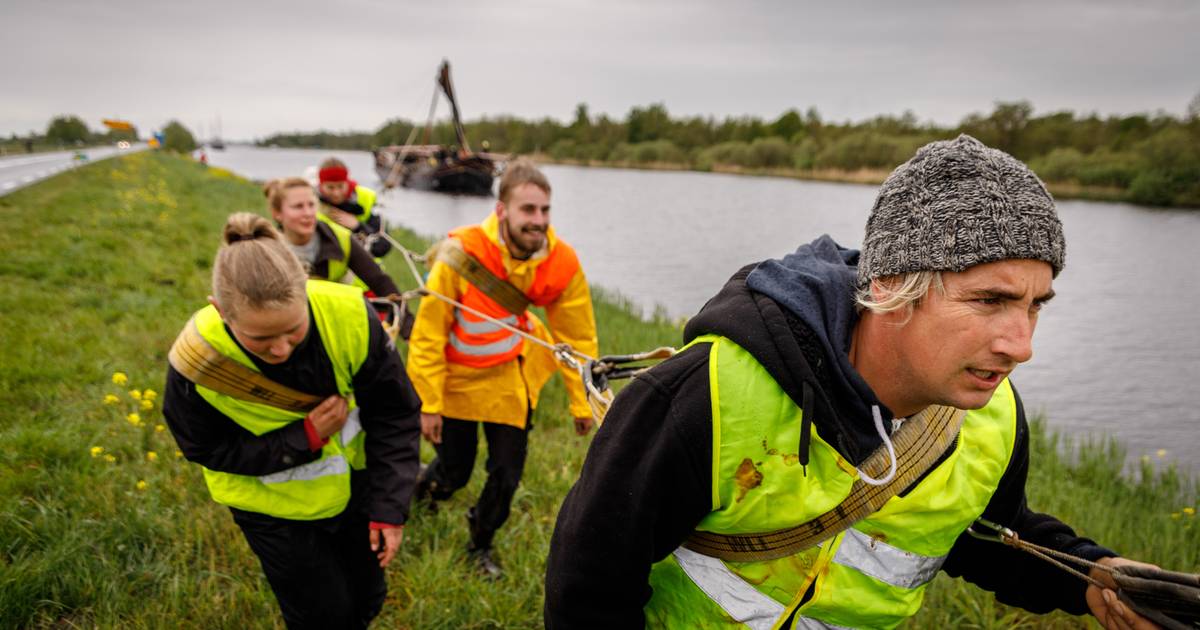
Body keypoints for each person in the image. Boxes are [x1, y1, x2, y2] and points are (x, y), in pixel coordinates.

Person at [545, 135, 1159, 629]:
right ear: (894, 287)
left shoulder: (992, 418)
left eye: (1034, 305)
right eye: (989, 300)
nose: (1020, 346)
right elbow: (588, 587)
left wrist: (1096, 578)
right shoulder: (709, 394)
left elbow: (981, 534)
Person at [163, 213, 421, 628]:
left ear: (306, 289)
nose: (281, 349)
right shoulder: (197, 359)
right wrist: (304, 437)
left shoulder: (350, 315)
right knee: (323, 616)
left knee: (368, 599)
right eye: (260, 339)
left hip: (355, 492)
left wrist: (389, 507)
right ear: (220, 311)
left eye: (293, 330)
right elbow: (203, 447)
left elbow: (395, 412)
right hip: (271, 511)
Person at [406, 158, 599, 578]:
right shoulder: (461, 254)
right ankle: (424, 491)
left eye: (545, 210)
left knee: (507, 473)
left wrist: (582, 403)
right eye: (528, 210)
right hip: (456, 380)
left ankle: (481, 542)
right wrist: (429, 402)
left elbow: (577, 338)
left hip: (509, 379)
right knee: (454, 471)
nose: (539, 221)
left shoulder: (560, 261)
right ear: (501, 211)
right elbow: (428, 334)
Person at [264, 177, 399, 298]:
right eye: (298, 207)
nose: (308, 213)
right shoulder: (266, 250)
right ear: (277, 213)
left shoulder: (341, 239)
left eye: (311, 205)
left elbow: (380, 282)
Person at [317, 157, 391, 257]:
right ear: (321, 186)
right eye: (330, 187)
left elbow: (382, 247)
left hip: (364, 269)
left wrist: (358, 226)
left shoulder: (366, 199)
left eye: (340, 186)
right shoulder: (311, 203)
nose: (336, 193)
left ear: (347, 182)